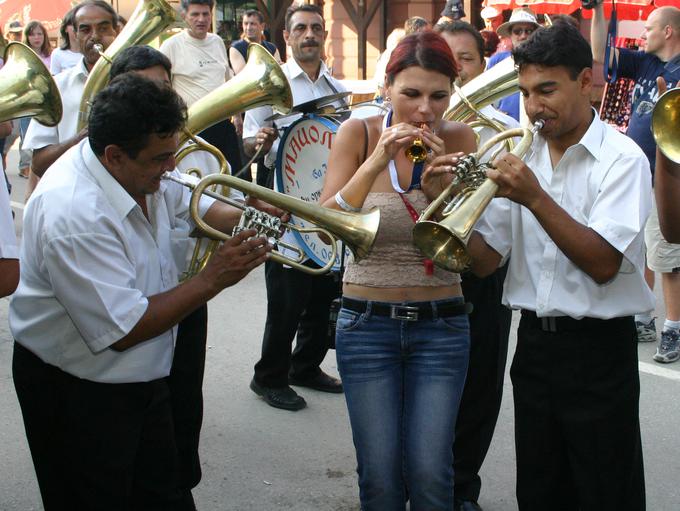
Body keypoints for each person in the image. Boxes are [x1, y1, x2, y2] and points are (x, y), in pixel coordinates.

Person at [10, 72, 271, 510]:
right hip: (77, 389)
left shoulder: (138, 170)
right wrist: (212, 278)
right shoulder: (73, 213)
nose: (173, 167)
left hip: (141, 375)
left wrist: (251, 213)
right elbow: (124, 329)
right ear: (113, 156)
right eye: (161, 159)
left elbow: (191, 204)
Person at [467, 23, 652, 510]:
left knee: (605, 491)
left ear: (585, 82)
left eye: (547, 89)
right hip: (533, 349)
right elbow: (485, 263)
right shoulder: (521, 155)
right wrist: (443, 210)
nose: (533, 106)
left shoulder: (623, 159)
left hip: (598, 353)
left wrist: (533, 195)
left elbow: (602, 263)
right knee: (540, 490)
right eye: (526, 92)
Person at [319, 30, 476, 510]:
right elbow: (327, 226)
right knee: (381, 478)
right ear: (386, 88)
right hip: (367, 325)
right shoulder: (358, 131)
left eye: (438, 96)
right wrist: (378, 158)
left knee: (431, 474)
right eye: (410, 94)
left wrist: (436, 190)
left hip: (441, 324)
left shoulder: (460, 137)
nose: (425, 110)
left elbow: (461, 243)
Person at [243, 3, 344, 411]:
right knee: (287, 292)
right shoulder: (271, 83)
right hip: (280, 196)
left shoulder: (334, 87)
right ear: (287, 36)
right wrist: (261, 141)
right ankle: (268, 376)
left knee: (322, 283)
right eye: (300, 28)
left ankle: (305, 365)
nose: (309, 34)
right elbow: (249, 143)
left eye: (316, 27)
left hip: (321, 196)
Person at [436, 19, 517, 511]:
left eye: (463, 59)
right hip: (427, 270)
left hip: (483, 270)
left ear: (480, 66)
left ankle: (462, 486)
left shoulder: (501, 132)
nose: (454, 68)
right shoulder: (421, 127)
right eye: (443, 58)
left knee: (479, 389)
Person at [591, 4, 680, 360]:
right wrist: (597, 11)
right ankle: (644, 317)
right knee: (639, 246)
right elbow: (600, 52)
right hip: (636, 170)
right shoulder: (646, 63)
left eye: (649, 28)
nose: (643, 34)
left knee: (667, 255)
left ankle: (674, 327)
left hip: (669, 174)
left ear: (668, 32)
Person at [23, 0, 119, 179]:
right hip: (73, 190)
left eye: (103, 28)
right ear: (75, 35)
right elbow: (38, 164)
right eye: (85, 30)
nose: (95, 36)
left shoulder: (137, 82)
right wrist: (78, 140)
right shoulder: (56, 88)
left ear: (117, 31)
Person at [160, 0, 246, 182]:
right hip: (192, 128)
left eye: (206, 14)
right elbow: (162, 89)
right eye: (195, 14)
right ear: (184, 17)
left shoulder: (217, 42)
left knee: (235, 180)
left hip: (222, 124)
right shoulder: (171, 46)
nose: (201, 19)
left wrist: (237, 115)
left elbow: (228, 81)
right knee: (199, 181)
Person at [486, 8, 540, 121]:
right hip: (504, 129)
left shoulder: (545, 63)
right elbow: (485, 98)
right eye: (518, 31)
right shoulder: (496, 61)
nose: (523, 36)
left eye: (529, 31)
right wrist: (494, 115)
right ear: (510, 35)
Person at [20, 20, 52, 198]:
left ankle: (38, 187)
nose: (37, 37)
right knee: (32, 145)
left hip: (46, 105)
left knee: (45, 146)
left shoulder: (51, 55)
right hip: (29, 104)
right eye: (33, 34)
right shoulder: (22, 55)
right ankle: (31, 189)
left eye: (40, 33)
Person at [229, 9, 281, 75]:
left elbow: (278, 75)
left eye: (252, 24)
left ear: (262, 26)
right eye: (245, 23)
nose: (248, 28)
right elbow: (243, 77)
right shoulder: (236, 48)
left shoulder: (272, 48)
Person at [50, 7, 83, 74]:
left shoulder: (91, 53)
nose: (76, 28)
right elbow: (55, 79)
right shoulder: (57, 53)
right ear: (65, 29)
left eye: (79, 24)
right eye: (72, 24)